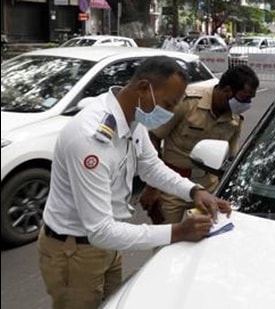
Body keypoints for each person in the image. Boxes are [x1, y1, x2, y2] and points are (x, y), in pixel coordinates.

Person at [37, 56, 232, 309]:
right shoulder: (90, 139)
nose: (171, 113)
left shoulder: (132, 118)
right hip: (75, 252)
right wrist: (177, 232)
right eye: (168, 104)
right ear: (142, 88)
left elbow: (150, 166)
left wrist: (194, 190)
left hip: (108, 245)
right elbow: (100, 230)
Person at [140, 65, 259, 224]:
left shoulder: (235, 119)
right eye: (245, 98)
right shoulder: (187, 102)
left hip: (207, 188)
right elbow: (153, 137)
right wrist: (151, 186)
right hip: (172, 186)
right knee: (166, 240)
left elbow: (229, 159)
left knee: (202, 240)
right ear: (228, 91)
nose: (248, 104)